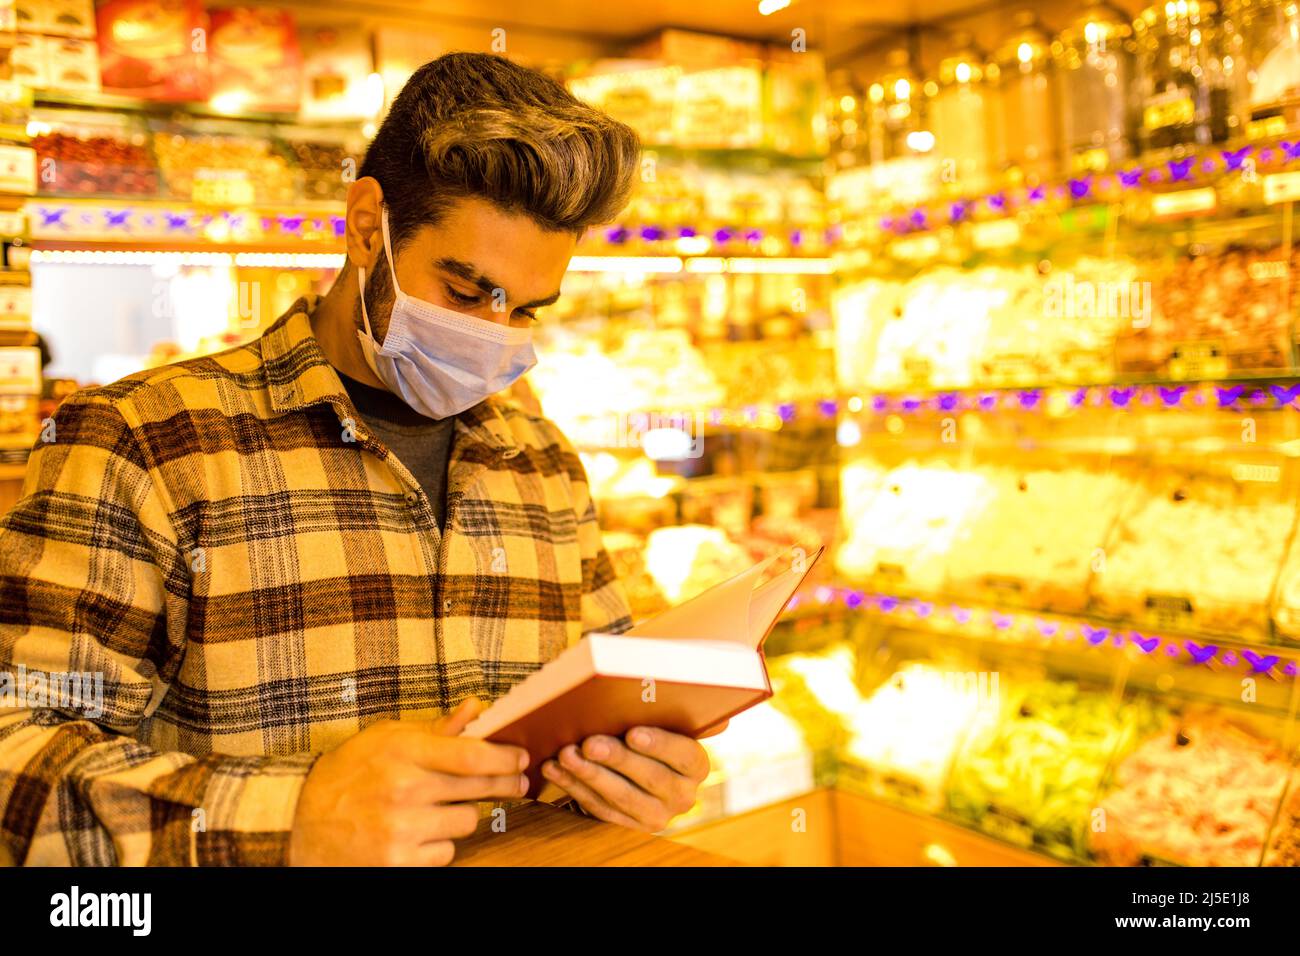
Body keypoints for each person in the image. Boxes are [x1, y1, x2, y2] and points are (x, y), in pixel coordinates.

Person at [0, 52, 720, 867]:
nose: (496, 333)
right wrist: (291, 819)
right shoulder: (144, 443)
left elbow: (602, 702)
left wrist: (634, 773)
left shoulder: (543, 462)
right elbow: (17, 769)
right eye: (464, 291)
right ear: (367, 225)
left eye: (526, 309)